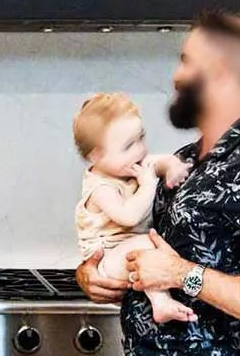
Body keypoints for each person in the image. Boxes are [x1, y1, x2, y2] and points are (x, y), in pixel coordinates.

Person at [77, 11, 240, 356]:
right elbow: (136, 247)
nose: (175, 76)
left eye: (186, 62)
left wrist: (180, 274)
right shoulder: (186, 160)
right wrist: (93, 275)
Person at [72, 92, 193, 324]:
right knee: (147, 244)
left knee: (147, 247)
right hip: (107, 263)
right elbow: (129, 216)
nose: (140, 150)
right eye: (128, 146)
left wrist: (173, 167)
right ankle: (161, 302)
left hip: (129, 257)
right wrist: (148, 184)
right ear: (96, 156)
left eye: (141, 138)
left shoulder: (131, 166)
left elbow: (160, 161)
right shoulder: (100, 189)